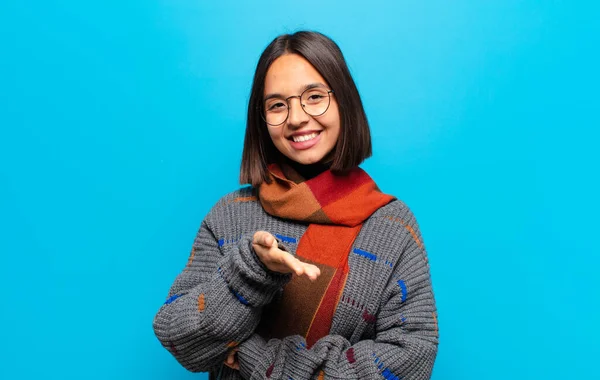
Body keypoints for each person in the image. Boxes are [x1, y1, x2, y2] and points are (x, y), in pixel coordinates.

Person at [153, 31, 439, 380]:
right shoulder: (230, 215)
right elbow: (177, 337)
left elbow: (410, 361)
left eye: (314, 97)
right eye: (277, 105)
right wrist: (251, 273)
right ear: (262, 119)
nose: (296, 118)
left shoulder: (392, 227)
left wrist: (259, 357)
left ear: (344, 102)